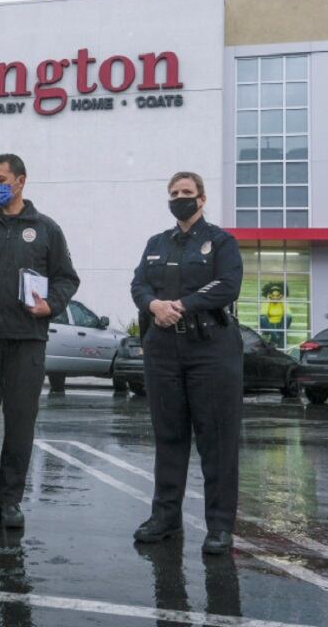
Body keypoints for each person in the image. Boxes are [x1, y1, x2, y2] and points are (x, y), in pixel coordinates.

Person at [0, 153, 79, 530]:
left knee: (20, 423)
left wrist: (52, 306)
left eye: (1, 178)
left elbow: (66, 279)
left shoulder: (45, 230)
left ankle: (10, 500)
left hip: (27, 341)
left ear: (21, 181)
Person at [130, 171, 244, 555]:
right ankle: (165, 518)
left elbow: (228, 284)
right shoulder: (157, 243)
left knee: (217, 441)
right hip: (164, 351)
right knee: (169, 438)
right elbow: (139, 284)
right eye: (174, 193)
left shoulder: (220, 242)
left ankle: (220, 526)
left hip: (210, 349)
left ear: (202, 198)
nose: (180, 198)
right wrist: (152, 304)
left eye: (187, 192)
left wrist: (181, 305)